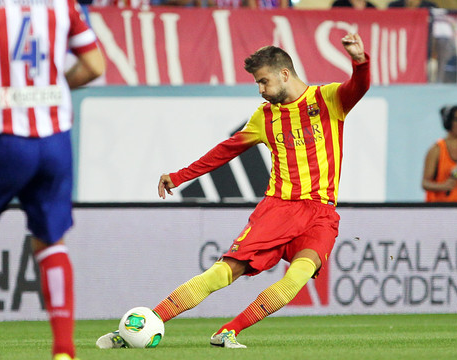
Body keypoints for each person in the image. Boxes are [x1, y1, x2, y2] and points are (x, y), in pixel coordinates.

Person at [97, 33, 369, 349]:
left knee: (297, 278)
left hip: (321, 212)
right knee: (223, 273)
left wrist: (360, 61)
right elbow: (224, 151)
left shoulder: (328, 100)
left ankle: (229, 331)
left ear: (284, 74)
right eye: (257, 83)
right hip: (279, 208)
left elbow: (358, 87)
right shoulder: (264, 117)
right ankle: (147, 322)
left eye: (264, 81)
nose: (261, 90)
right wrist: (181, 176)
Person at [0, 0, 105, 358]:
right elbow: (95, 66)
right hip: (56, 141)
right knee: (50, 240)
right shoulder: (63, 4)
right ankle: (64, 351)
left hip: (7, 140)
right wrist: (53, 89)